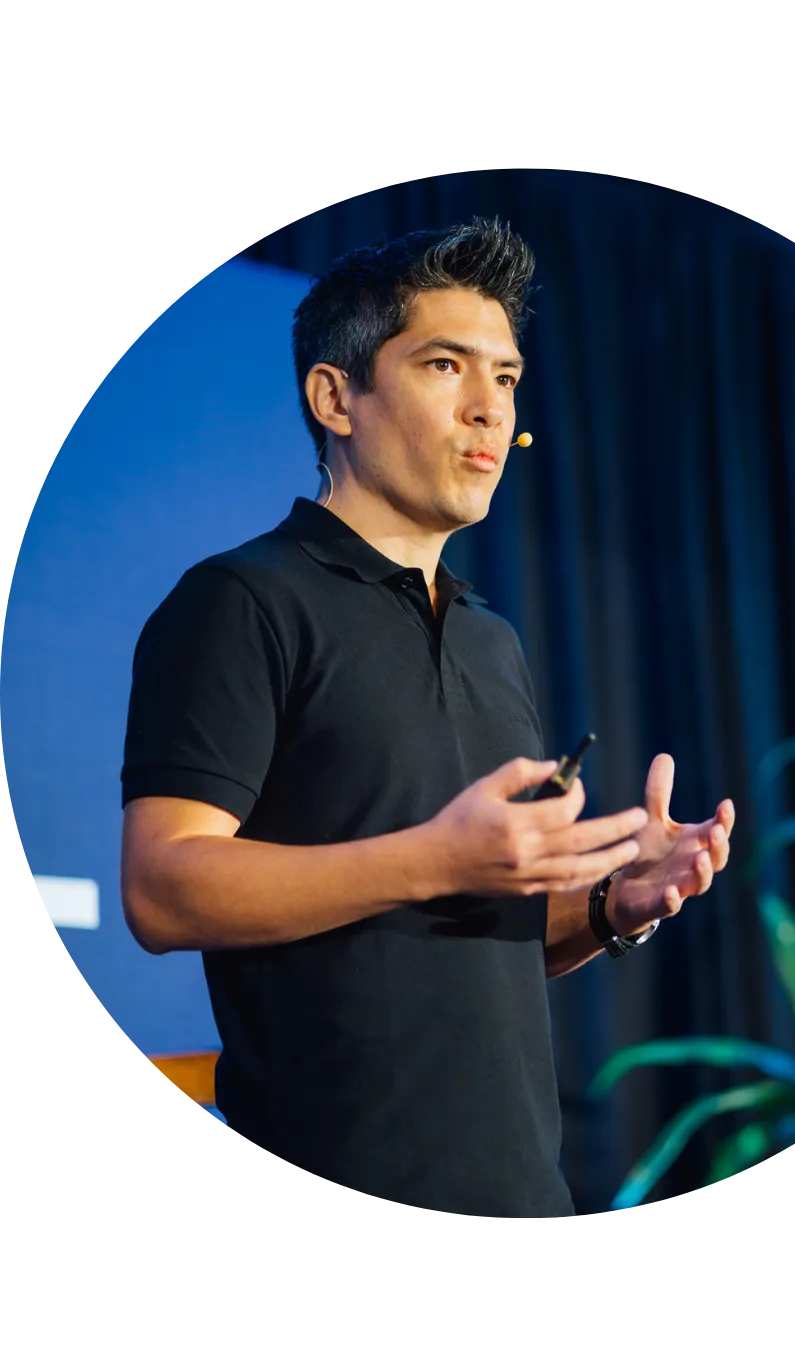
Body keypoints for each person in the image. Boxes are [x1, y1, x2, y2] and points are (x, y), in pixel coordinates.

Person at [120, 218, 735, 1221]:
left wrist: (612, 908)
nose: (489, 406)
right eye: (446, 366)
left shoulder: (494, 638)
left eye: (507, 375)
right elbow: (161, 888)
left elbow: (476, 938)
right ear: (336, 398)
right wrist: (437, 857)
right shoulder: (241, 601)